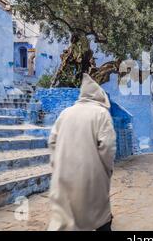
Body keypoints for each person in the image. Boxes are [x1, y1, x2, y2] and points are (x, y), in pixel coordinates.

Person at [47, 73, 116, 231]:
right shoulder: (101, 114)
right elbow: (107, 147)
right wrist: (107, 171)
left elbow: (52, 141)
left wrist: (57, 164)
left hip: (64, 176)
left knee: (65, 218)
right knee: (99, 216)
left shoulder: (65, 113)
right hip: (91, 177)